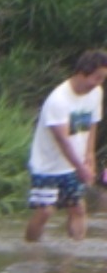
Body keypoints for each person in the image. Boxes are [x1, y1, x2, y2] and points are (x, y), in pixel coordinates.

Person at [24, 50, 107, 243]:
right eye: (97, 78)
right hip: (47, 166)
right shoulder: (58, 100)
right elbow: (62, 141)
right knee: (45, 212)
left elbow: (92, 124)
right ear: (82, 71)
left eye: (102, 79)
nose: (99, 83)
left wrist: (90, 156)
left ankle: (73, 254)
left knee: (78, 208)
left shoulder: (96, 93)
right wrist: (81, 168)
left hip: (73, 164)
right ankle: (30, 251)